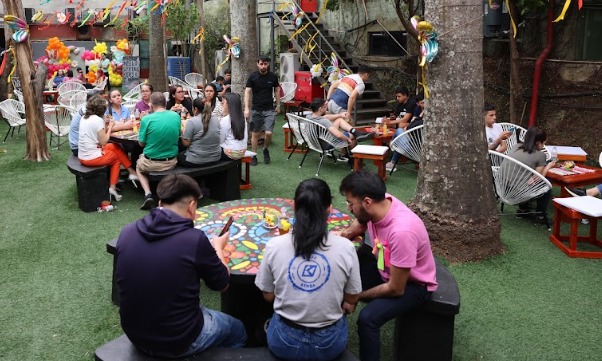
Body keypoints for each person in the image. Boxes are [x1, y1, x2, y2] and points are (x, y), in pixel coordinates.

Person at [116, 174, 246, 358]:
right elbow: (222, 284)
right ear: (192, 206)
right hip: (179, 339)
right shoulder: (194, 240)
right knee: (238, 330)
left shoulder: (127, 232)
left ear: (160, 202)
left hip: (135, 334)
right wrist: (217, 247)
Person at [255, 178, 361, 361]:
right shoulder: (346, 248)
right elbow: (352, 298)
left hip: (284, 340)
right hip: (330, 342)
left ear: (295, 206)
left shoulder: (275, 245)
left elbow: (268, 295)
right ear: (329, 209)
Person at [338, 170, 438, 361]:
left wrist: (355, 296)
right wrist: (345, 234)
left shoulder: (402, 232)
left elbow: (396, 288)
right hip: (384, 266)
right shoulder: (382, 202)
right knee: (339, 277)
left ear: (367, 202)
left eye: (351, 203)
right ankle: (331, 339)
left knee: (368, 319)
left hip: (413, 285)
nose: (348, 208)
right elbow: (360, 222)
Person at [77, 95, 138, 201]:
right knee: (115, 159)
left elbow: (98, 136)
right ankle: (112, 187)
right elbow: (104, 141)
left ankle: (132, 172)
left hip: (83, 154)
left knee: (114, 146)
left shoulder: (84, 117)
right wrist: (110, 126)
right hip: (91, 157)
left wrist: (106, 124)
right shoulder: (97, 120)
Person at [136, 92, 181, 210]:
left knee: (138, 166)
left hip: (150, 163)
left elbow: (141, 143)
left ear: (151, 105)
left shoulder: (146, 119)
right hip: (171, 161)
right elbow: (179, 135)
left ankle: (147, 193)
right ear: (165, 103)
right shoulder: (176, 116)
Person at [505, 126, 556, 224]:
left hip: (505, 188)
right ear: (538, 143)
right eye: (544, 143)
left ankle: (523, 210)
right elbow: (538, 178)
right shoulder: (540, 155)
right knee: (547, 182)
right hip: (519, 192)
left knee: (523, 178)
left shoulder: (516, 147)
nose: (544, 145)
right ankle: (540, 216)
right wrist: (548, 166)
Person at [307, 98, 374, 162]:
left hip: (315, 143)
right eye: (324, 106)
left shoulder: (309, 116)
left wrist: (340, 115)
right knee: (352, 136)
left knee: (339, 120)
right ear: (320, 109)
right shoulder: (324, 121)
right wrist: (347, 139)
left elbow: (326, 117)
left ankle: (357, 132)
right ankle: (350, 158)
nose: (326, 107)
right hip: (327, 144)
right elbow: (338, 135)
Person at [244, 56, 280, 166]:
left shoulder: (273, 77)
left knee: (268, 133)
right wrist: (246, 108)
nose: (263, 66)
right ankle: (254, 155)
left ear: (268, 64)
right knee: (255, 134)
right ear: (257, 64)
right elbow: (247, 92)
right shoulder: (253, 77)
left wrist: (278, 105)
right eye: (261, 64)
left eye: (265, 64)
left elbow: (277, 91)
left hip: (269, 108)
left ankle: (265, 149)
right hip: (256, 109)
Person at [385, 92, 425, 172]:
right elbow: (412, 124)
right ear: (418, 104)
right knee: (401, 131)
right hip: (416, 143)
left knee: (400, 131)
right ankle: (393, 146)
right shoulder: (418, 111)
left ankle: (392, 145)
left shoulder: (422, 120)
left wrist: (420, 116)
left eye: (425, 102)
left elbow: (411, 126)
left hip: (414, 147)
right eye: (422, 103)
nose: (424, 105)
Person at [178, 98, 221, 167]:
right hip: (215, 157)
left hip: (196, 159)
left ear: (195, 109)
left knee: (179, 155)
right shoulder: (215, 119)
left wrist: (183, 131)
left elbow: (186, 143)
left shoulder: (192, 121)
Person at [68, 90, 101, 156]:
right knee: (112, 148)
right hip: (79, 148)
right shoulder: (87, 113)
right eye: (100, 100)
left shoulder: (87, 109)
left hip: (79, 146)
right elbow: (99, 132)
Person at [220, 92, 247, 160]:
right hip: (242, 152)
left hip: (230, 153)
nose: (221, 104)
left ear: (229, 105)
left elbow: (220, 140)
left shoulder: (225, 120)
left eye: (223, 103)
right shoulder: (242, 118)